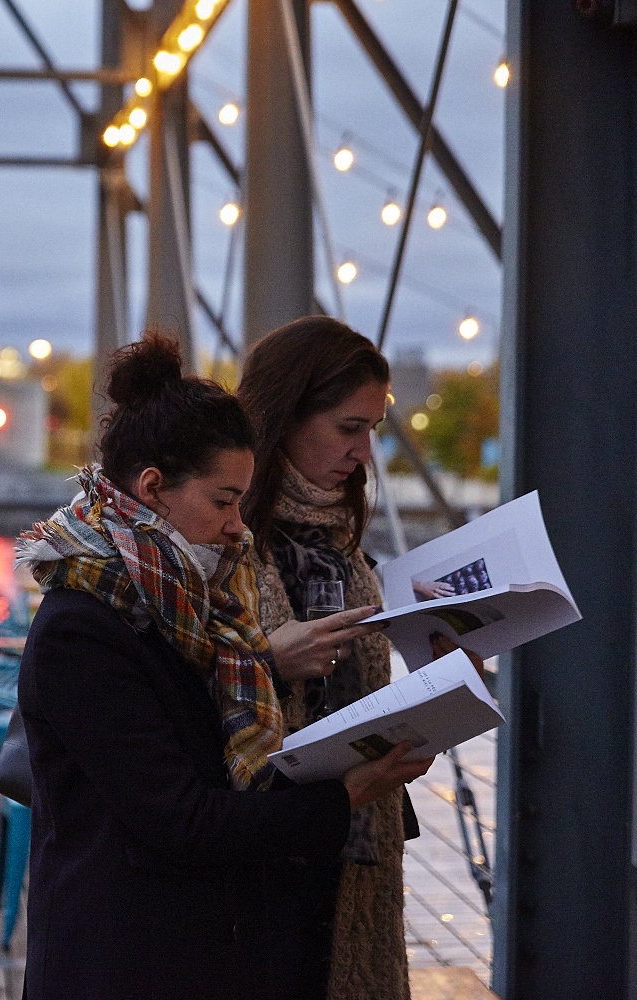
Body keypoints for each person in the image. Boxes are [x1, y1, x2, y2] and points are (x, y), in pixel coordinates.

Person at [15, 334, 431, 1000]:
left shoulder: (193, 601)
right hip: (125, 963)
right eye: (223, 500)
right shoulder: (83, 629)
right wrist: (345, 794)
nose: (240, 526)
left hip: (192, 950)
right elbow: (183, 822)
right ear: (152, 489)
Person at [236, 315, 413, 1000]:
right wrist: (268, 664)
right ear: (284, 416)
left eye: (372, 430)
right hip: (261, 851)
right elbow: (172, 697)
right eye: (348, 428)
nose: (364, 452)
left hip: (356, 844)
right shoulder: (222, 539)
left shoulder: (342, 535)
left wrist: (442, 672)